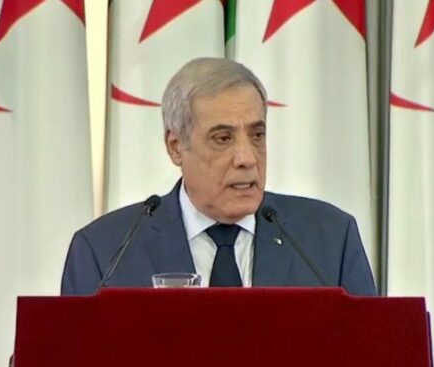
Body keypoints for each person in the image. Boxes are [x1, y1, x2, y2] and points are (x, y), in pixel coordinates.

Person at [61, 58, 376, 296]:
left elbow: (369, 358)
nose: (247, 158)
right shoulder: (104, 252)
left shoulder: (330, 240)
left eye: (257, 135)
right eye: (223, 138)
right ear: (176, 147)